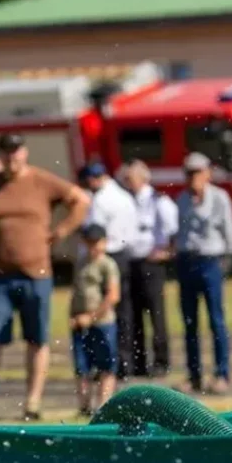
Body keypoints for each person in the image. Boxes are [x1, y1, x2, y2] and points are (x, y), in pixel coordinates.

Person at [0, 133, 89, 422]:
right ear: (0, 155)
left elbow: (80, 200)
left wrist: (61, 232)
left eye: (16, 151)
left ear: (24, 153)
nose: (11, 157)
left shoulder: (43, 181)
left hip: (36, 274)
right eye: (6, 152)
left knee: (37, 340)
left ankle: (32, 403)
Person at [174, 152, 232, 395]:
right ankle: (194, 376)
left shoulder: (220, 198)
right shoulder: (182, 199)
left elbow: (229, 231)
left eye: (198, 172)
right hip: (187, 261)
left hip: (211, 261)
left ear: (207, 173)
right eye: (189, 173)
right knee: (190, 322)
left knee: (216, 319)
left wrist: (226, 261)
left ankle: (221, 373)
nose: (193, 178)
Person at [78, 161, 138, 380]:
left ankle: (109, 363)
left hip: (106, 253)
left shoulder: (100, 200)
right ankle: (126, 361)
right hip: (123, 253)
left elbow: (92, 231)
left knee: (105, 309)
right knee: (124, 311)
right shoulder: (124, 196)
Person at [120, 159, 178, 378]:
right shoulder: (126, 200)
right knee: (133, 315)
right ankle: (138, 362)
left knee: (156, 314)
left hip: (151, 264)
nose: (127, 181)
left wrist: (166, 253)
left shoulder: (158, 201)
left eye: (131, 178)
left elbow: (173, 230)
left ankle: (161, 361)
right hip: (131, 262)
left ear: (143, 178)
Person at [70, 225, 121, 416]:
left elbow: (112, 296)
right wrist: (73, 316)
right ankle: (84, 406)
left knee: (106, 365)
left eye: (97, 242)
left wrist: (91, 318)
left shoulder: (108, 265)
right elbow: (75, 293)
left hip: (102, 323)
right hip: (80, 323)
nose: (94, 247)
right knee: (81, 366)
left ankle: (103, 406)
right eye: (89, 243)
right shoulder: (81, 263)